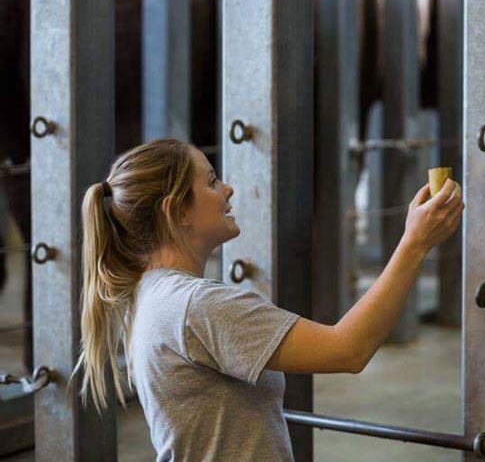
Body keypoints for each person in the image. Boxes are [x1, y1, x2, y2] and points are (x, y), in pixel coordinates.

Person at [74, 138, 463, 460]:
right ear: (178, 212)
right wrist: (415, 243)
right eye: (211, 182)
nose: (227, 189)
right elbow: (348, 349)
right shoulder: (199, 305)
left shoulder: (149, 294)